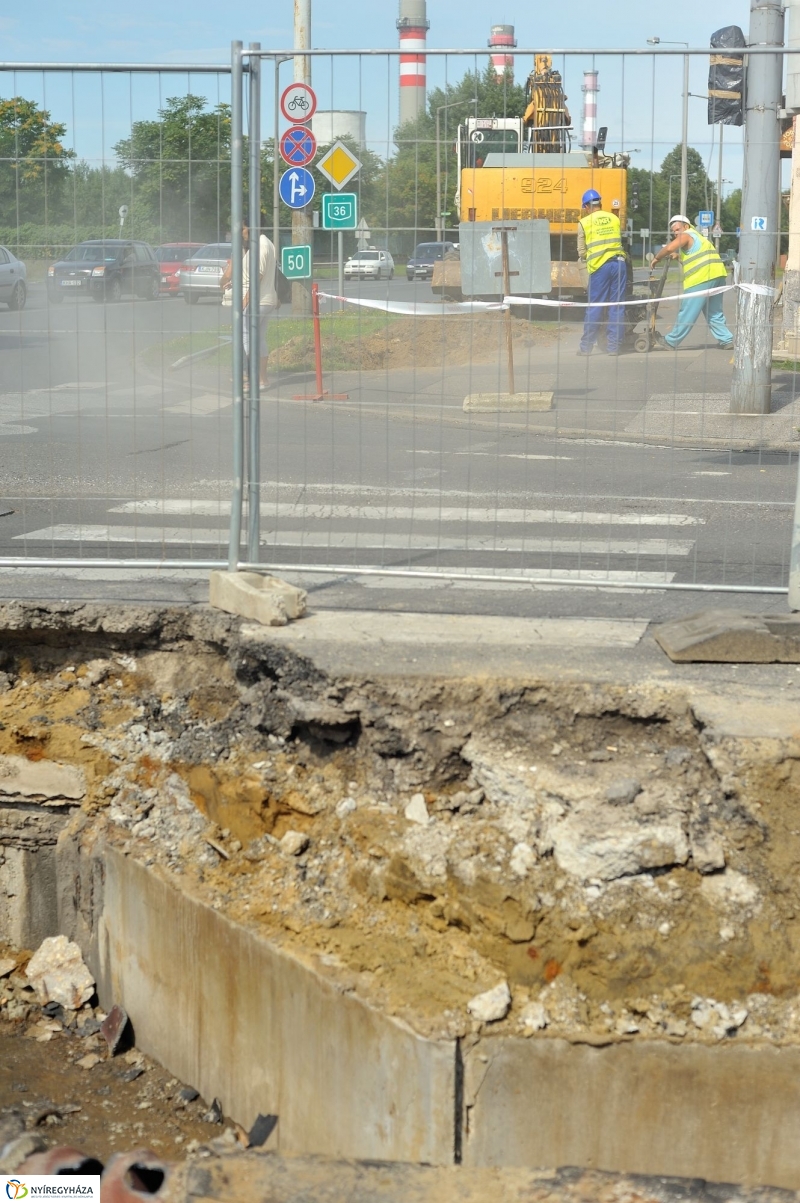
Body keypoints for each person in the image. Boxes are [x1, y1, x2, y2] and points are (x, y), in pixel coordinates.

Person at [649, 215, 733, 350]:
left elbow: (669, 248)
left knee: (688, 311)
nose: (676, 233)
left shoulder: (687, 234)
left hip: (701, 278)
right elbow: (693, 259)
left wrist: (657, 258)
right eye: (673, 231)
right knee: (714, 312)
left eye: (677, 229)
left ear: (686, 226)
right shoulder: (698, 237)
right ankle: (726, 340)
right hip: (718, 276)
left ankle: (671, 341)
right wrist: (678, 256)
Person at [220, 224, 278, 388]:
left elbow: (257, 276)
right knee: (258, 339)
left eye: (244, 228)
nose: (241, 232)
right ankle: (262, 380)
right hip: (265, 300)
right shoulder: (264, 244)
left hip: (256, 301)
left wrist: (246, 300)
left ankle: (248, 379)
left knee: (245, 338)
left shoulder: (260, 246)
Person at [576, 188, 627, 356]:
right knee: (617, 307)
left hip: (600, 267)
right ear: (600, 203)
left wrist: (588, 257)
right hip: (619, 264)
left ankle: (586, 348)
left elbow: (581, 251)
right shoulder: (614, 218)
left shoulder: (584, 223)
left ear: (586, 206)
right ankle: (614, 348)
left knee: (595, 307)